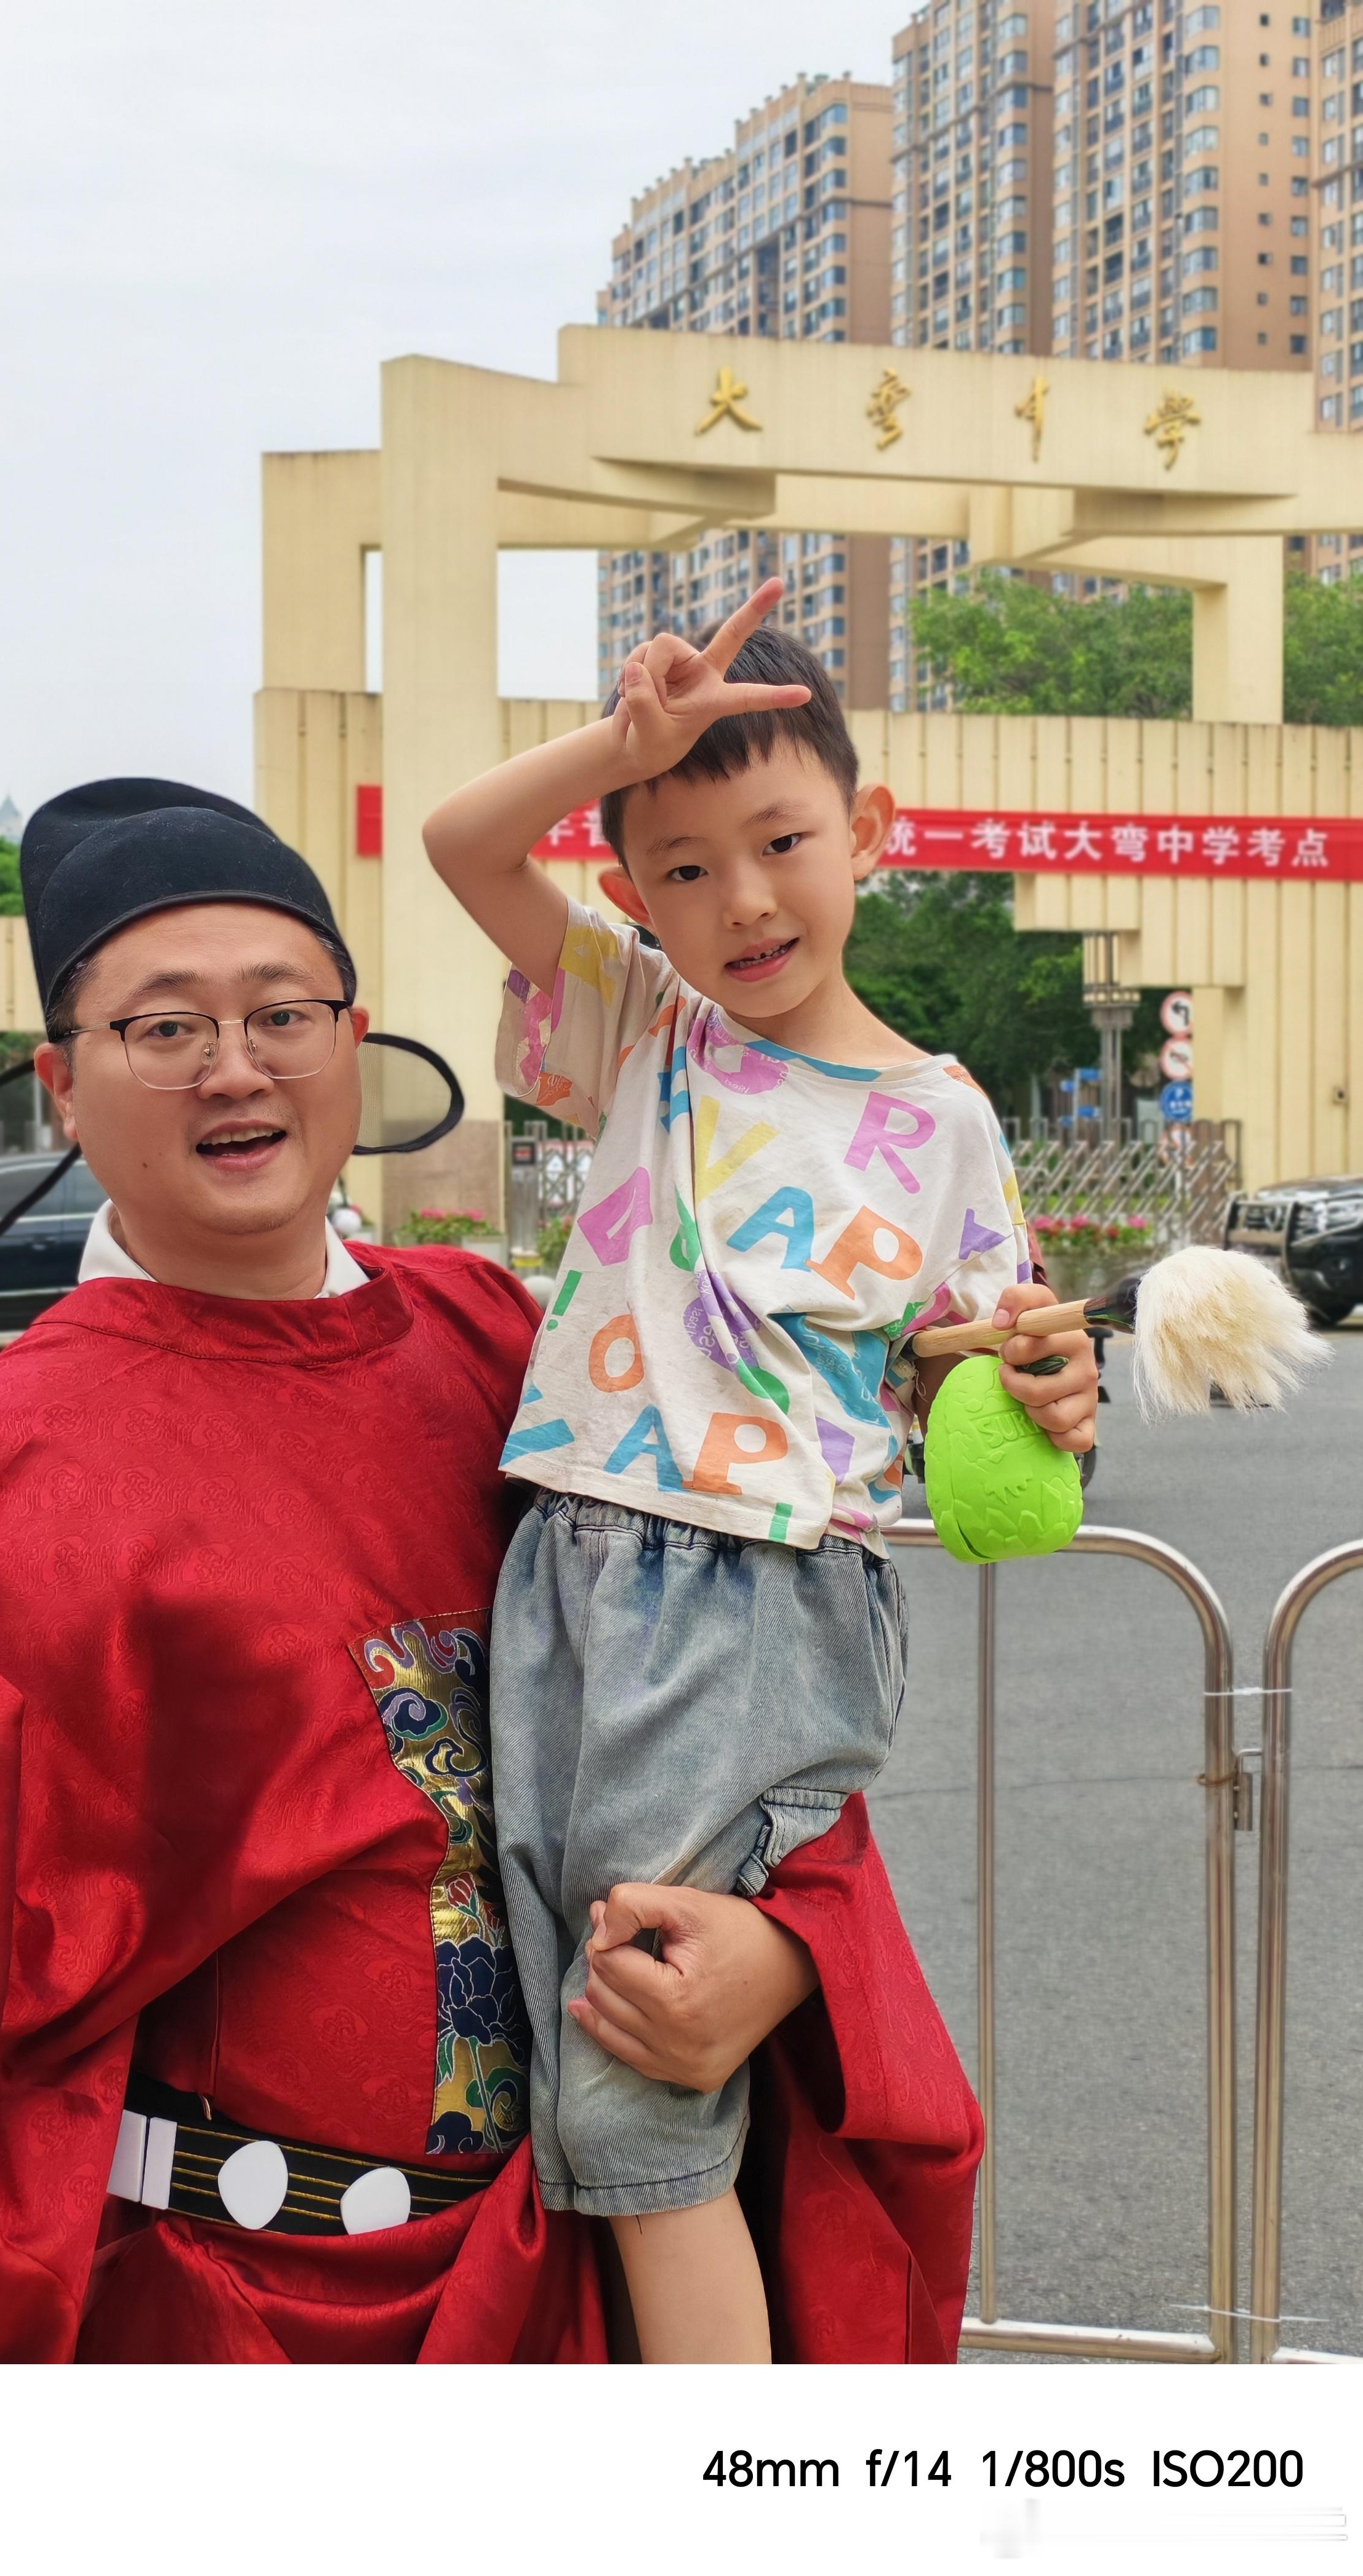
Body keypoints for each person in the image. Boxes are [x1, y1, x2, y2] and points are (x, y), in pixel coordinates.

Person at [0, 776, 982, 2367]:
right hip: (229, 2307)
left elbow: (738, 1695)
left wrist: (782, 1958)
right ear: (64, 1089)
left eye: (284, 1014)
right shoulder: (31, 1447)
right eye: (165, 1029)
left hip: (555, 2276)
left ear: (354, 1043)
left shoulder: (507, 1347)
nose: (235, 1068)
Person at [424, 584, 1099, 2363]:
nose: (742, 900)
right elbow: (463, 844)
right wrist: (616, 746)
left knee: (637, 2086)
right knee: (565, 2052)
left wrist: (1051, 1384)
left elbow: (973, 1369)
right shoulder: (647, 1027)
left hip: (757, 1585)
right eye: (684, 867)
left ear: (870, 833)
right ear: (634, 895)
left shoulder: (943, 1118)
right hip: (572, 1560)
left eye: (782, 843)